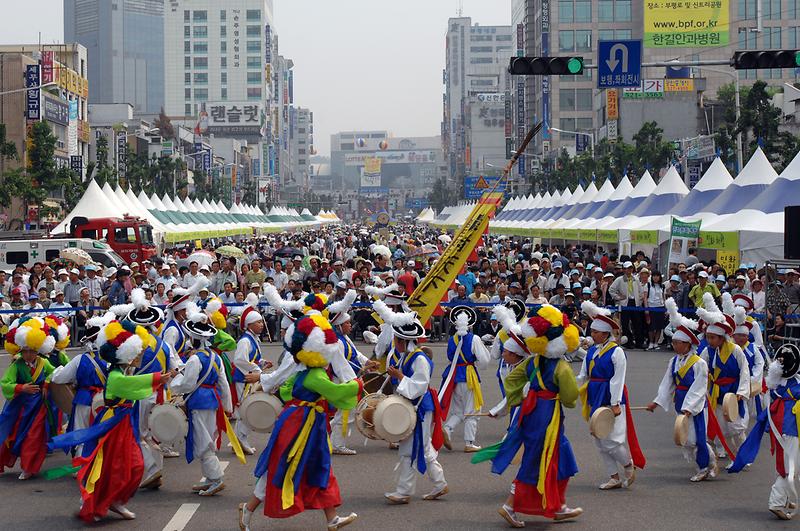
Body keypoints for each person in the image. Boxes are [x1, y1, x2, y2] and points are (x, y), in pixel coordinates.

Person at [238, 314, 360, 531]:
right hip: (300, 425)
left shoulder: (302, 371)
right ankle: (247, 509)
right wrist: (357, 384)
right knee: (282, 468)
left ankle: (332, 518)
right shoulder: (315, 375)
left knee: (320, 466)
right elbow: (338, 392)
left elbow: (284, 388)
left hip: (304, 422)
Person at [48, 318, 171, 522]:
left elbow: (135, 386)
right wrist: (157, 378)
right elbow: (129, 385)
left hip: (123, 423)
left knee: (133, 466)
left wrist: (159, 380)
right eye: (138, 351)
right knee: (104, 465)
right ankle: (91, 502)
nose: (141, 353)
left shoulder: (123, 370)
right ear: (126, 354)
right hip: (111, 423)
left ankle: (116, 501)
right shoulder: (115, 374)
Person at [473, 304, 582, 525]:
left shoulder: (532, 361)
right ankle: (510, 505)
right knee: (536, 459)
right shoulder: (561, 367)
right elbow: (571, 399)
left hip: (532, 411)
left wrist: (521, 399)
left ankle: (558, 504)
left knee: (561, 456)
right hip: (548, 415)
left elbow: (512, 380)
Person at [170, 303, 238, 497]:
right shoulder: (215, 357)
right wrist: (227, 406)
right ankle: (209, 477)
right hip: (212, 400)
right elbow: (223, 383)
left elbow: (188, 384)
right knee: (208, 437)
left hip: (199, 401)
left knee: (203, 440)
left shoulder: (194, 359)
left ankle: (216, 479)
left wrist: (174, 384)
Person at [381, 309, 448, 504]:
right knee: (424, 447)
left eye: (396, 339)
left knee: (409, 449)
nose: (394, 342)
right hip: (416, 406)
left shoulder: (419, 359)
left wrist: (399, 377)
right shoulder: (406, 356)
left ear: (402, 341)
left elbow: (420, 386)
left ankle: (404, 491)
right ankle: (439, 483)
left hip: (419, 408)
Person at [578, 301, 645, 490]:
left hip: (611, 396)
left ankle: (627, 464)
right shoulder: (591, 351)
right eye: (591, 332)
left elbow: (618, 379)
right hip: (595, 395)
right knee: (598, 439)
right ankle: (613, 477)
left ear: (605, 334)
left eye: (595, 332)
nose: (592, 335)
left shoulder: (617, 352)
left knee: (612, 440)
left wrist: (615, 403)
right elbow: (583, 375)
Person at [728, 344, 800, 520]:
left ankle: (787, 497)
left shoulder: (775, 384)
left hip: (780, 425)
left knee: (784, 461)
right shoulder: (795, 385)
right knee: (791, 465)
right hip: (790, 427)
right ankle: (776, 501)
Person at [126, 288, 184, 483]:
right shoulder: (163, 344)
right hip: (162, 393)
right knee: (154, 432)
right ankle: (155, 470)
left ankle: (152, 469)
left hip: (141, 393)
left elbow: (125, 371)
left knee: (141, 433)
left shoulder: (132, 344)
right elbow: (176, 368)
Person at [0, 317, 59, 480]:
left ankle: (28, 467)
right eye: (24, 351)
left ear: (37, 349)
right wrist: (21, 387)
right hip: (19, 407)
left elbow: (55, 371)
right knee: (10, 435)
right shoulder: (17, 365)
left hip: (39, 407)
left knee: (33, 437)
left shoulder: (43, 362)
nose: (28, 354)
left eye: (31, 351)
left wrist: (46, 384)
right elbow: (5, 383)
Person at [697, 293, 750, 458]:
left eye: (713, 338)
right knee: (719, 424)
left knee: (735, 426)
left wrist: (742, 391)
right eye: (708, 337)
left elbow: (744, 371)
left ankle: (744, 453)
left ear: (722, 338)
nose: (710, 340)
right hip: (716, 391)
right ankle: (722, 450)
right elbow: (702, 372)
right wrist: (702, 390)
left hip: (733, 391)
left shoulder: (735, 350)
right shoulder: (707, 351)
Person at [328, 290, 378, 455]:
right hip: (341, 381)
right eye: (348, 323)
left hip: (348, 379)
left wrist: (367, 362)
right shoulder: (337, 342)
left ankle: (335, 443)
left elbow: (356, 354)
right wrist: (357, 376)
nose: (350, 325)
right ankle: (337, 445)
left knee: (343, 414)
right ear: (340, 326)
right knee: (344, 414)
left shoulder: (346, 338)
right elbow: (342, 365)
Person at [439, 306, 491, 453]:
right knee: (473, 409)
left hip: (454, 375)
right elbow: (485, 360)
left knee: (458, 411)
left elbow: (450, 357)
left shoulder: (451, 340)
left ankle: (448, 429)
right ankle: (469, 442)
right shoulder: (474, 338)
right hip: (469, 375)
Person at [232, 293, 268, 455]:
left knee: (247, 410)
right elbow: (240, 360)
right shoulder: (245, 340)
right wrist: (257, 369)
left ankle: (240, 439)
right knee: (246, 410)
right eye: (258, 322)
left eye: (261, 321)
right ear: (249, 325)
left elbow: (251, 358)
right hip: (243, 379)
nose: (262, 325)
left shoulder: (253, 338)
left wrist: (262, 363)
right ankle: (240, 439)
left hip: (248, 378)